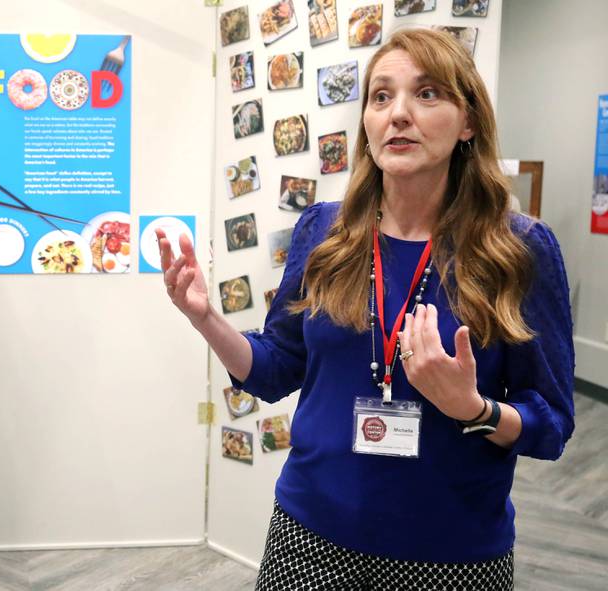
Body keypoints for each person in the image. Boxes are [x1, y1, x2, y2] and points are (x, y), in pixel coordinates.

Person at [157, 28, 574, 590]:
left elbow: (550, 424)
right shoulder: (325, 231)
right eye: (381, 96)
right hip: (309, 536)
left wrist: (471, 408)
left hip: (451, 553)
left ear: (468, 122)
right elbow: (278, 368)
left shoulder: (518, 249)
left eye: (427, 94)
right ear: (367, 123)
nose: (398, 113)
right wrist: (204, 318)